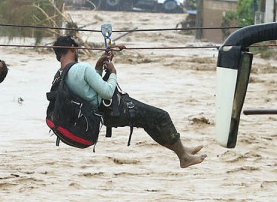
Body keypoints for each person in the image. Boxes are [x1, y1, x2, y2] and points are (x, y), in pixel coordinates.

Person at [50, 35, 205, 168]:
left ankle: (182, 151)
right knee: (161, 116)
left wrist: (97, 68)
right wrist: (113, 73)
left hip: (101, 115)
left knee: (149, 122)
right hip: (112, 110)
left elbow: (87, 91)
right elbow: (107, 92)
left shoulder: (62, 74)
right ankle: (183, 157)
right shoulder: (82, 67)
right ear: (72, 48)